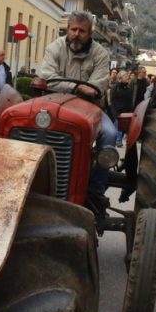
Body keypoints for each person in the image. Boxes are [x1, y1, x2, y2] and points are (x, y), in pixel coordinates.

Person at [39, 11, 114, 196]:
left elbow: (97, 85)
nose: (76, 34)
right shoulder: (54, 48)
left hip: (89, 107)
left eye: (82, 31)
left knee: (110, 134)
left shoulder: (101, 54)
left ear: (90, 33)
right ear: (67, 29)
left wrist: (73, 87)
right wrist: (78, 87)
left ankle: (96, 187)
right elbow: (48, 77)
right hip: (54, 103)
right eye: (73, 29)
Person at [110, 70, 134, 146]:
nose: (128, 78)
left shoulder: (128, 88)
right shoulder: (115, 88)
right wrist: (116, 112)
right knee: (117, 127)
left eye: (127, 76)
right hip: (118, 112)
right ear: (121, 77)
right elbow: (113, 101)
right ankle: (117, 141)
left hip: (126, 112)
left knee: (121, 128)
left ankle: (116, 140)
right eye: (126, 76)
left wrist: (130, 110)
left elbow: (130, 101)